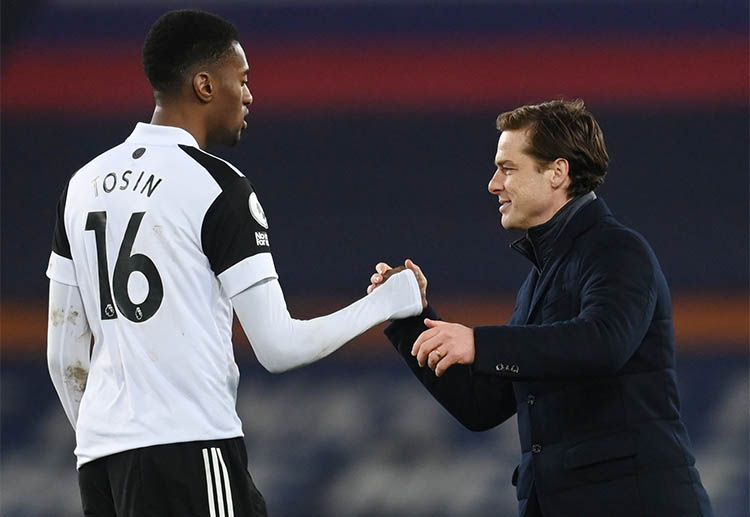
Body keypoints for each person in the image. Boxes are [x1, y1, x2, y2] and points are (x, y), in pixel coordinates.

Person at [45, 9, 422, 517]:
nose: (249, 96)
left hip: (99, 464)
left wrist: (106, 436)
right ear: (204, 85)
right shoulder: (217, 186)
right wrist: (388, 303)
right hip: (190, 448)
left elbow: (64, 354)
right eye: (241, 80)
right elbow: (279, 347)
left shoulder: (81, 185)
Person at [369, 100, 713, 516]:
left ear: (557, 172)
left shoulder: (617, 250)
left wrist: (479, 343)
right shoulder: (541, 279)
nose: (494, 184)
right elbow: (482, 405)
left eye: (508, 169)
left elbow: (604, 342)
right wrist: (409, 317)